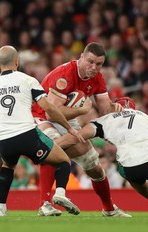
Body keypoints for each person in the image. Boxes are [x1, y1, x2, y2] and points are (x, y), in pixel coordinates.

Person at [0, 45, 84, 216]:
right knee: (63, 161)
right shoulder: (27, 80)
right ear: (17, 61)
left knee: (7, 166)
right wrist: (68, 128)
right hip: (27, 135)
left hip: (4, 140)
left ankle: (0, 209)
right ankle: (59, 194)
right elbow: (48, 108)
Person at [31, 42, 131, 217]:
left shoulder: (97, 78)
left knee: (94, 165)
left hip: (68, 119)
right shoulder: (65, 75)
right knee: (54, 147)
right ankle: (44, 204)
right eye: (90, 62)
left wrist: (117, 107)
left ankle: (109, 209)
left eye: (99, 64)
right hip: (41, 115)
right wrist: (82, 110)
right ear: (82, 57)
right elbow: (51, 114)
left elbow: (105, 110)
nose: (94, 67)